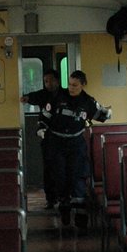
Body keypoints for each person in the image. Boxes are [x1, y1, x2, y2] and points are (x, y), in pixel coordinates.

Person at [41, 70, 110, 229]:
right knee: (61, 177)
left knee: (78, 177)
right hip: (57, 143)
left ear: (83, 85)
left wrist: (108, 112)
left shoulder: (88, 102)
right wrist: (41, 129)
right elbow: (44, 117)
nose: (71, 88)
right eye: (70, 84)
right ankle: (64, 208)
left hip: (76, 143)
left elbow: (102, 115)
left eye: (75, 85)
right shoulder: (58, 97)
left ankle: (80, 215)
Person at [20, 70, 61, 209]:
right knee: (48, 169)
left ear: (57, 81)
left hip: (63, 139)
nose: (48, 84)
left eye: (50, 80)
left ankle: (64, 197)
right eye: (45, 81)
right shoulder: (42, 95)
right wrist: (25, 98)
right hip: (48, 138)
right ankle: (51, 199)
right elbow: (30, 97)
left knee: (62, 168)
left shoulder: (65, 95)